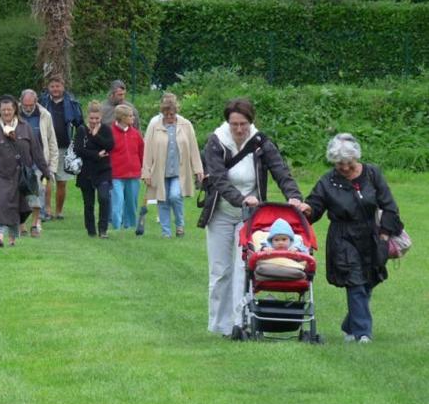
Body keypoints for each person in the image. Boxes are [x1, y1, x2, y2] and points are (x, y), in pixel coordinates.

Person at [198, 98, 303, 338]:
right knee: (220, 270)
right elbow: (219, 179)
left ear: (251, 122)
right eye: (234, 124)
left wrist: (294, 196)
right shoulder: (216, 142)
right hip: (222, 212)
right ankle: (220, 325)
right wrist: (240, 198)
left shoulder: (260, 142)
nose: (238, 129)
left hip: (250, 217)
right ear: (228, 122)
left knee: (244, 268)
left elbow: (280, 170)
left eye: (243, 124)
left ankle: (240, 321)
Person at [301, 133, 404, 344]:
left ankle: (350, 324)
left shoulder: (372, 174)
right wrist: (307, 209)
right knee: (355, 281)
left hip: (372, 235)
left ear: (356, 158)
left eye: (348, 163)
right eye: (339, 164)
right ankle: (362, 333)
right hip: (343, 237)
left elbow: (390, 206)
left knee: (370, 280)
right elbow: (315, 208)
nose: (345, 168)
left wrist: (384, 236)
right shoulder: (327, 181)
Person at [0, 95, 52, 247]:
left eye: (9, 109)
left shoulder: (25, 127)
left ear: (15, 110)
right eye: (3, 110)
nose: (6, 112)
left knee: (16, 206)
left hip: (19, 175)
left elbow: (36, 151)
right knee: (2, 203)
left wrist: (46, 171)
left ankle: (12, 240)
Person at [141, 95, 203, 238]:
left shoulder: (185, 124)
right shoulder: (154, 126)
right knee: (162, 200)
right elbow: (147, 150)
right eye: (166, 114)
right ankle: (166, 232)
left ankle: (180, 225)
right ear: (162, 113)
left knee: (175, 196)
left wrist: (198, 169)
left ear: (176, 112)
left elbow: (193, 147)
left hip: (179, 171)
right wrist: (146, 172)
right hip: (159, 171)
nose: (169, 117)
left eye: (172, 114)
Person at [39, 75, 83, 220]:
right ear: (48, 88)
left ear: (63, 87)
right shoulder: (42, 103)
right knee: (46, 178)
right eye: (52, 86)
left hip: (65, 147)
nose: (55, 89)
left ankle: (59, 211)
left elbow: (80, 125)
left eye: (58, 86)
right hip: (47, 147)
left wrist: (79, 144)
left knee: (61, 181)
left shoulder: (73, 103)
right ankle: (48, 210)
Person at [19, 89, 58, 237]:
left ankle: (36, 223)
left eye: (31, 104)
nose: (28, 108)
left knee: (38, 192)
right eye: (25, 105)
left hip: (38, 161)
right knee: (20, 193)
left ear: (36, 102)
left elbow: (52, 141)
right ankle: (21, 225)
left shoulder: (45, 115)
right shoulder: (14, 114)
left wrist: (52, 167)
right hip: (20, 161)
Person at [74, 101, 114, 238]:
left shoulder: (106, 130)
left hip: (103, 171)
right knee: (89, 203)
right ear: (87, 117)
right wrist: (96, 155)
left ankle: (103, 230)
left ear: (101, 117)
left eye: (97, 118)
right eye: (91, 118)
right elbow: (78, 150)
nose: (94, 121)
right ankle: (91, 230)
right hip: (86, 172)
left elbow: (110, 146)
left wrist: (96, 136)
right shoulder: (81, 130)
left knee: (104, 198)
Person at [110, 104, 144, 230]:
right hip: (116, 174)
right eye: (130, 116)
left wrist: (143, 169)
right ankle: (116, 226)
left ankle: (129, 226)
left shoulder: (136, 134)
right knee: (117, 201)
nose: (133, 118)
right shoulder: (110, 132)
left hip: (133, 174)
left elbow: (142, 152)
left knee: (131, 203)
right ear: (122, 117)